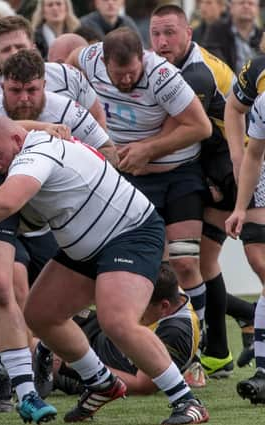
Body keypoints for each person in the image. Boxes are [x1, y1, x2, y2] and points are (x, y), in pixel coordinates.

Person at [0, 115, 210, 425]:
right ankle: (100, 382)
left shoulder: (36, 152)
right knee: (40, 315)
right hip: (88, 243)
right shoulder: (32, 142)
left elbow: (7, 203)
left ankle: (188, 401)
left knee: (117, 321)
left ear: (17, 141)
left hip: (130, 233)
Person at [69, 28, 213, 357]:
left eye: (132, 72)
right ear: (103, 62)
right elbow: (69, 61)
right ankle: (150, 346)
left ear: (143, 58)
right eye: (118, 75)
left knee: (186, 262)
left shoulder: (162, 75)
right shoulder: (90, 59)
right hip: (130, 176)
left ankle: (195, 353)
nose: (125, 80)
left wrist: (148, 149)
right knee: (150, 267)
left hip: (178, 174)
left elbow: (200, 127)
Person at [150, 3, 238, 378]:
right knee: (200, 263)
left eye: (170, 33)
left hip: (230, 168)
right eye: (155, 34)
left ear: (189, 34)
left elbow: (191, 133)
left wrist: (218, 183)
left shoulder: (197, 74)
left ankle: (210, 351)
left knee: (199, 262)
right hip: (217, 163)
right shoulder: (169, 65)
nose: (162, 42)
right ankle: (218, 351)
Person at [57, 263, 200, 396]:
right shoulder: (165, 286)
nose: (133, 308)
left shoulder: (176, 332)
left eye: (141, 306)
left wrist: (79, 366)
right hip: (100, 331)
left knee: (41, 347)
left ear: (164, 306)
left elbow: (142, 385)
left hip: (96, 368)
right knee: (47, 316)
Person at [0, 49, 117, 165]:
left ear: (44, 86)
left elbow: (109, 151)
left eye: (31, 90)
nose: (24, 98)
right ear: (2, 87)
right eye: (15, 90)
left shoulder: (68, 111)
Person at [0, 16, 106, 129]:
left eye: (20, 47)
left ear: (33, 48)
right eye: (6, 50)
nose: (14, 53)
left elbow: (98, 118)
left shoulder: (67, 75)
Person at [225, 66, 265, 407]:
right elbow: (254, 155)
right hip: (263, 176)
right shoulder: (263, 100)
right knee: (261, 263)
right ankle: (264, 372)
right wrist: (239, 206)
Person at [202, 0, 263, 73]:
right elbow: (214, 61)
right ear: (231, 8)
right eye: (241, 3)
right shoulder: (216, 31)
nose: (246, 6)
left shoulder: (262, 35)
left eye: (251, 3)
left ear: (258, 9)